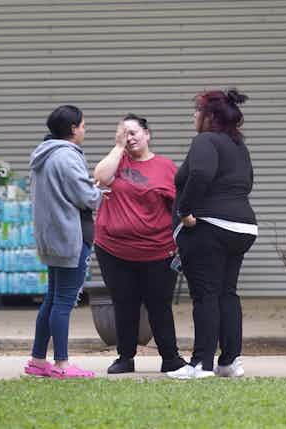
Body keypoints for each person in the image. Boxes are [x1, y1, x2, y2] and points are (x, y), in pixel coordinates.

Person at [167, 88, 257, 380]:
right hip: (242, 228)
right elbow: (247, 183)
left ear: (208, 116)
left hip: (209, 227)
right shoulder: (238, 145)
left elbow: (202, 174)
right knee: (226, 294)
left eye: (196, 111)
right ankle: (229, 361)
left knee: (205, 295)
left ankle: (201, 365)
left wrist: (185, 210)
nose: (193, 116)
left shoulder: (205, 141)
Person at [93, 113, 187, 374]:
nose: (129, 137)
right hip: (113, 249)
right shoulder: (117, 162)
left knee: (159, 304)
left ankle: (171, 357)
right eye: (123, 133)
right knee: (124, 303)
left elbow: (181, 207)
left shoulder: (166, 168)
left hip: (157, 250)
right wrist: (118, 147)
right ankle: (125, 357)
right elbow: (100, 177)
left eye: (133, 132)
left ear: (147, 134)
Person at [24, 105, 104, 379]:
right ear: (72, 129)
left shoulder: (42, 156)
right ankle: (61, 364)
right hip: (70, 238)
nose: (84, 130)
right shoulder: (67, 157)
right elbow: (87, 198)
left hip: (50, 238)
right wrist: (99, 189)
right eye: (83, 125)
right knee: (63, 303)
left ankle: (37, 360)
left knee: (52, 299)